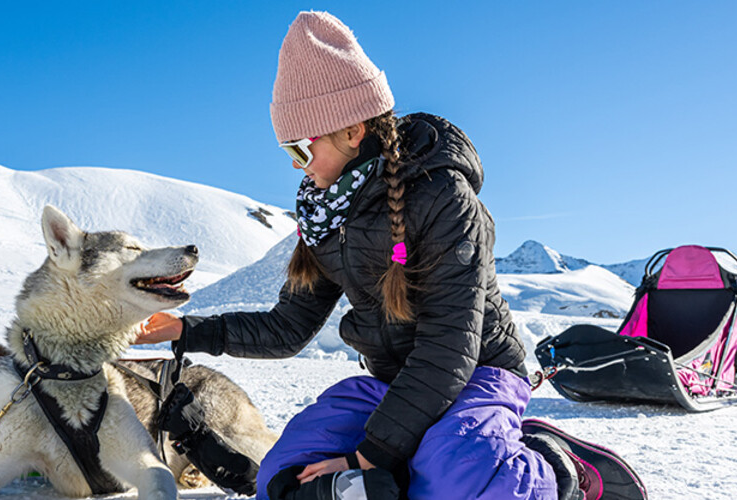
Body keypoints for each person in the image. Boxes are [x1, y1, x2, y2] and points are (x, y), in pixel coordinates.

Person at [136, 11, 646, 500]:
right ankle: (418, 462)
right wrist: (186, 330)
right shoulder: (323, 212)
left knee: (453, 484)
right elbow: (288, 327)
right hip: (394, 385)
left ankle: (557, 470)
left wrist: (368, 457)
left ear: (352, 131)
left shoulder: (443, 196)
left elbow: (450, 346)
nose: (296, 168)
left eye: (300, 149)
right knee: (281, 475)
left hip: (476, 375)